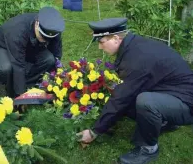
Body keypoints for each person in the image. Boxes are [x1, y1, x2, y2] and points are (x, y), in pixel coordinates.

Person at [76, 17, 193, 164]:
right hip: (171, 92)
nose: (100, 47)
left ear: (116, 39)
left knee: (145, 101)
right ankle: (164, 122)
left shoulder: (137, 59)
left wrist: (95, 131)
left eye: (101, 42)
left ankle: (149, 148)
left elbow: (122, 97)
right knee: (130, 97)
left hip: (186, 103)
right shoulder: (134, 46)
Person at [0, 7, 65, 98]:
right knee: (7, 68)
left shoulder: (53, 28)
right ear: (37, 24)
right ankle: (9, 87)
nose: (44, 41)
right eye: (42, 37)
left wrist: (57, 80)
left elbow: (56, 56)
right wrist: (21, 96)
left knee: (49, 60)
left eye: (47, 40)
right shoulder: (17, 30)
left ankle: (28, 83)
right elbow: (18, 65)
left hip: (30, 46)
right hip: (4, 46)